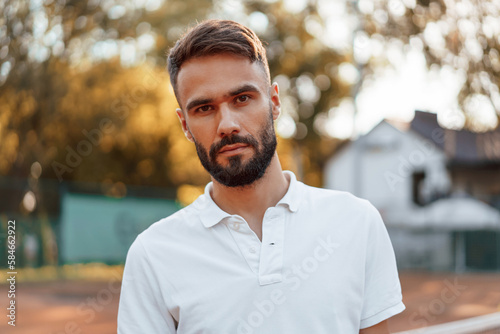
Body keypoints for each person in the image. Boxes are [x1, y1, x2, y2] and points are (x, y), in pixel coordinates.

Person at [117, 19, 405, 334]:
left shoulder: (356, 222)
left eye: (242, 98)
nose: (227, 124)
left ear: (275, 102)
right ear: (185, 124)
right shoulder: (152, 254)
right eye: (204, 108)